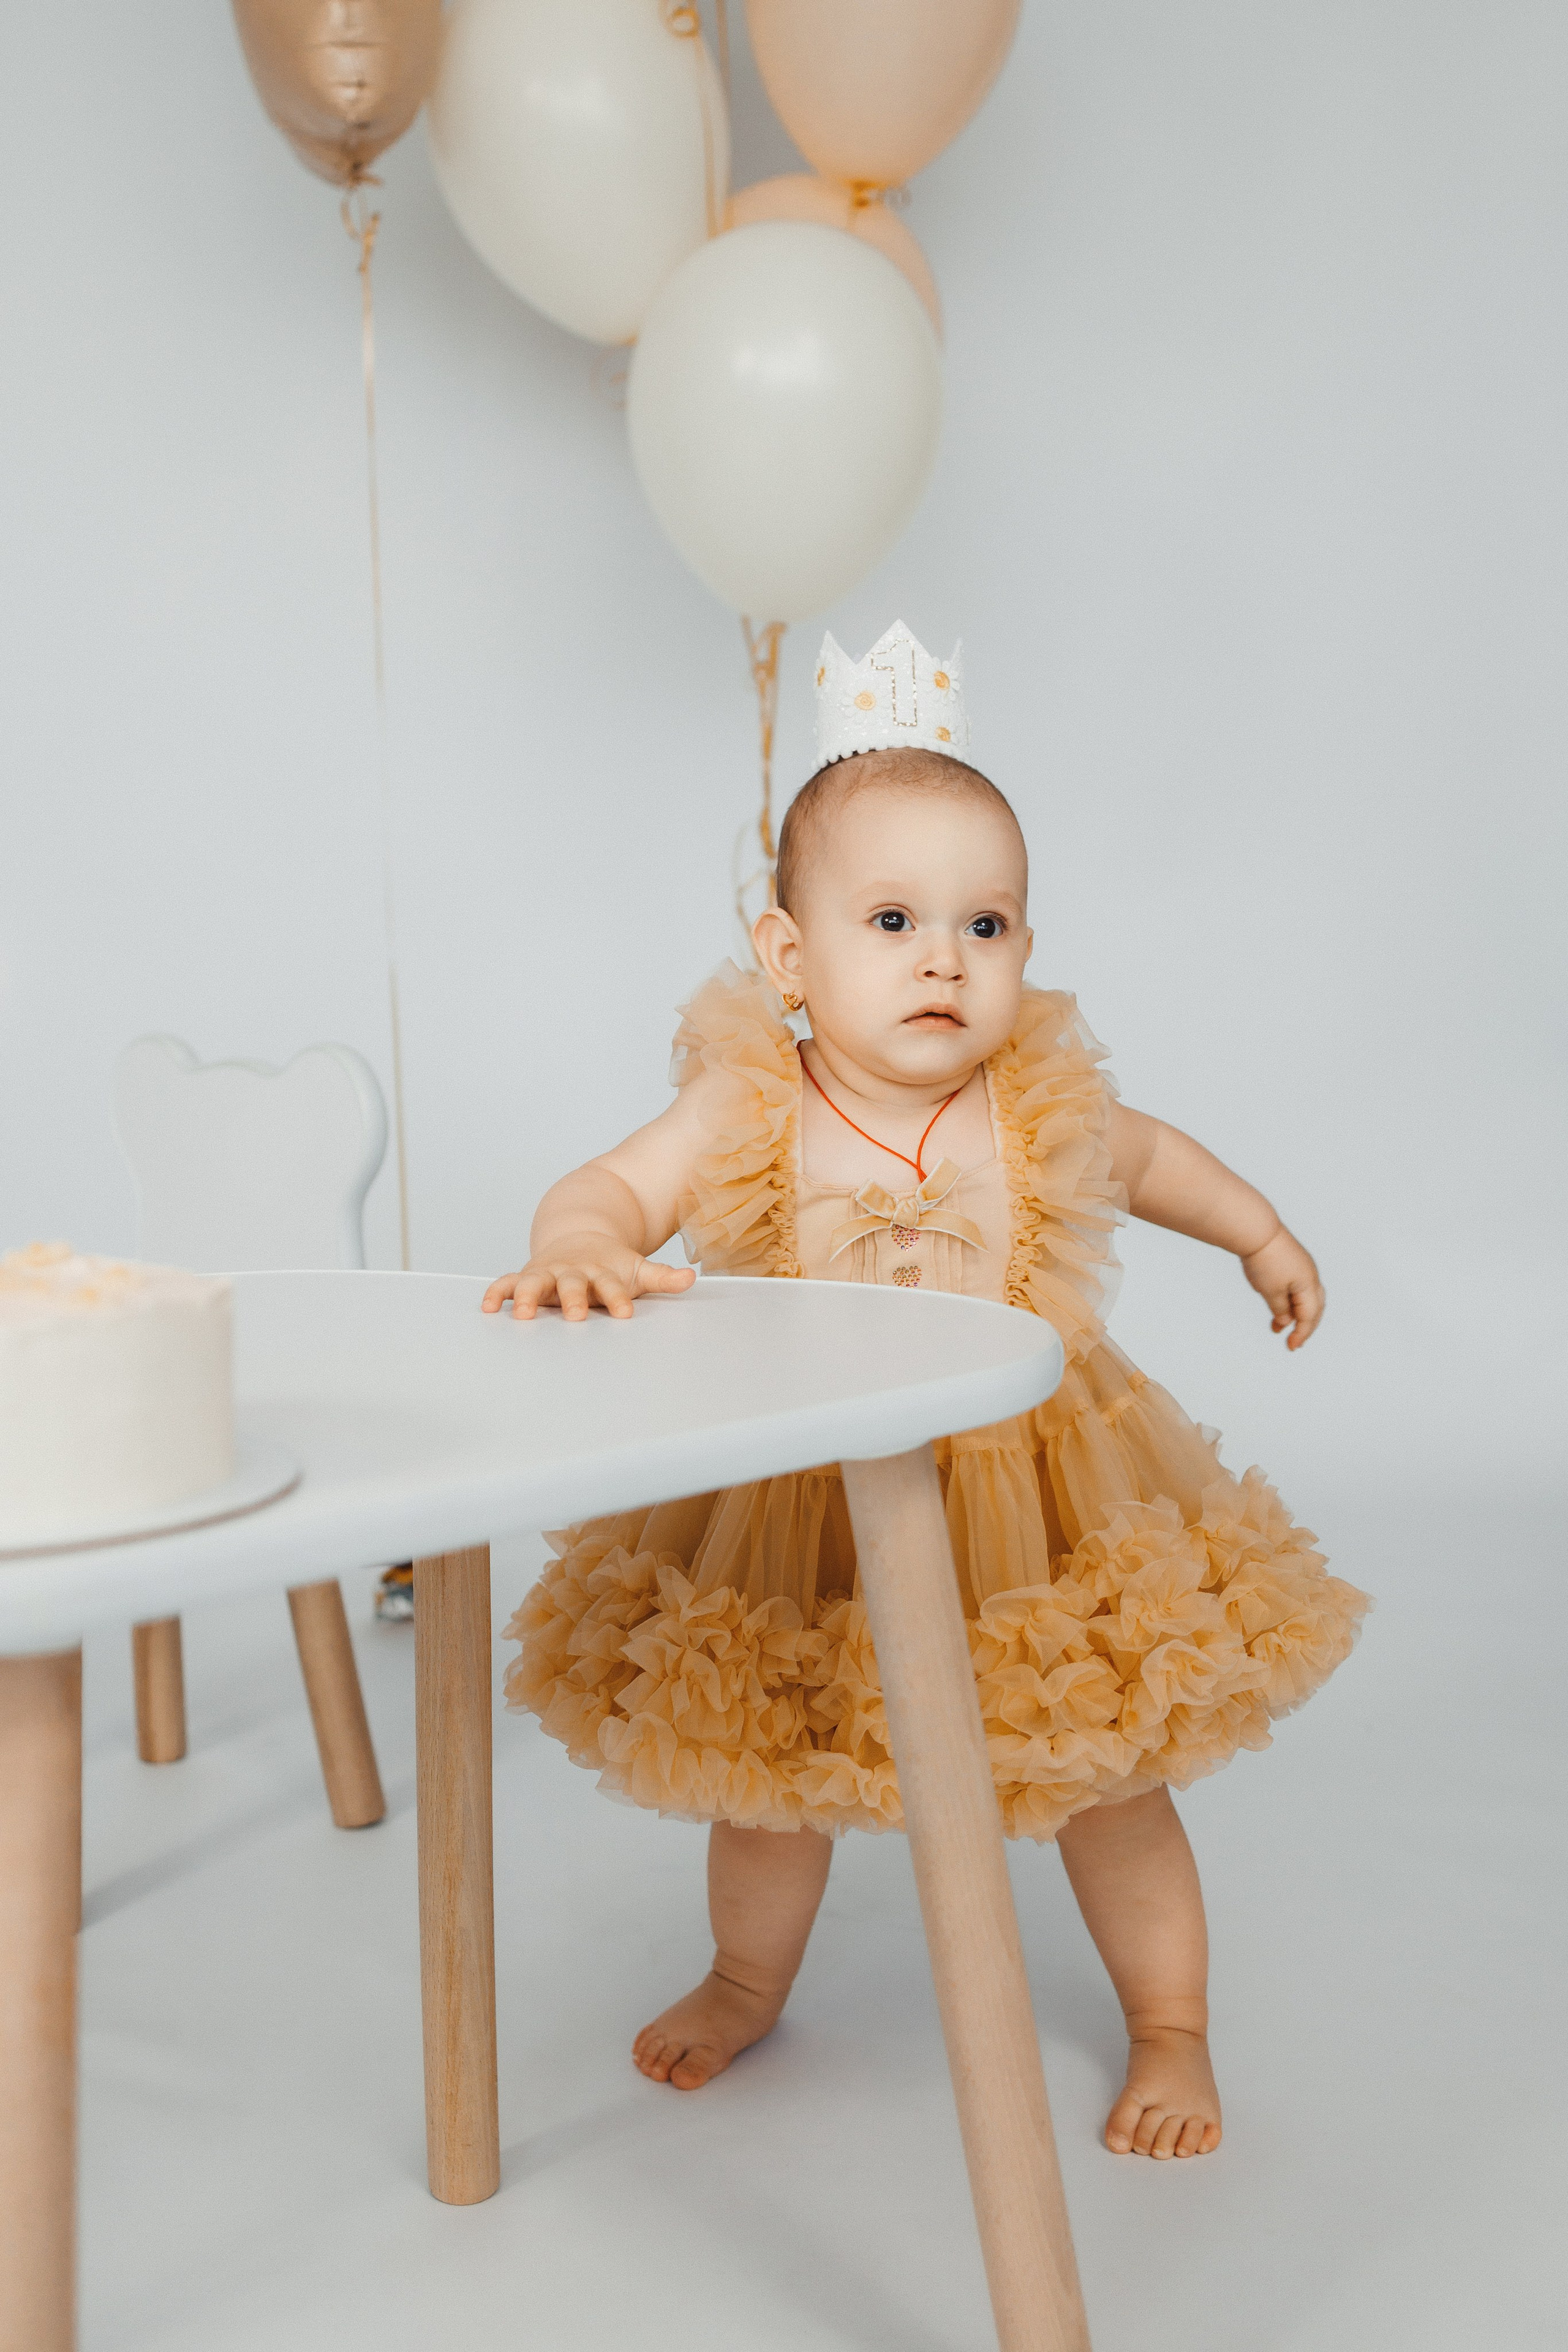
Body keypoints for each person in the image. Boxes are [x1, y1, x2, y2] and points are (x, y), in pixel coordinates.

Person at [483, 623, 1370, 2163]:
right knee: (765, 1766)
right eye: (892, 919)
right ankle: (745, 1975)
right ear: (790, 960)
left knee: (1108, 1768)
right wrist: (581, 1247)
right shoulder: (747, 1102)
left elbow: (1156, 1161)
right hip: (801, 1486)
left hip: (1033, 1486)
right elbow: (610, 1187)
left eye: (987, 923)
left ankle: (1168, 2024)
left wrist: (1264, 1234)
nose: (944, 959)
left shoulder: (1032, 1101)